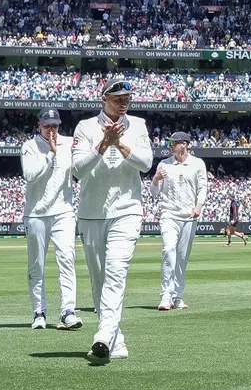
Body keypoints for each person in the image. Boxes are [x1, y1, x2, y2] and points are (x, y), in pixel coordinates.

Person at [72, 80, 152, 361]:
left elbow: (146, 164)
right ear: (104, 98)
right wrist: (103, 145)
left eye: (127, 97)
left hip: (127, 210)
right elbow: (78, 171)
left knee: (116, 272)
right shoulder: (85, 127)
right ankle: (116, 343)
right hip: (92, 212)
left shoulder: (138, 125)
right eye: (118, 98)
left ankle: (103, 335)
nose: (124, 102)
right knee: (99, 279)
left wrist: (120, 145)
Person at [22, 108, 81, 330]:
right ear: (39, 125)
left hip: (63, 211)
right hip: (36, 212)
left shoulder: (70, 143)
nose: (51, 130)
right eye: (47, 126)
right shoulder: (29, 146)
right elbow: (30, 175)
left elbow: (79, 169)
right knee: (36, 265)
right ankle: (39, 312)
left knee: (67, 258)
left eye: (55, 125)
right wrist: (51, 154)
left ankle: (68, 311)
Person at [152, 131, 208, 310]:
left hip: (189, 216)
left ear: (184, 144)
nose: (170, 146)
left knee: (182, 257)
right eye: (169, 143)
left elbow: (202, 187)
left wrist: (199, 205)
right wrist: (155, 179)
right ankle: (165, 296)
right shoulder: (164, 164)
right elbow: (154, 193)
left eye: (173, 143)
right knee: (169, 250)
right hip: (169, 214)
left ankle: (177, 296)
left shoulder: (197, 164)